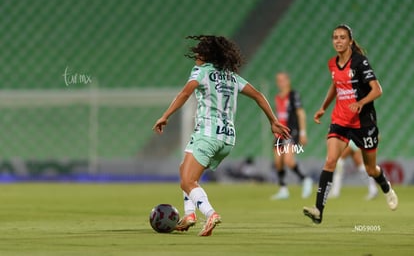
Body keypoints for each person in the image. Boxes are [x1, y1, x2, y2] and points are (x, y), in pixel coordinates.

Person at [153, 35, 290, 236]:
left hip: (207, 134)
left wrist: (165, 116)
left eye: (199, 52)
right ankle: (190, 215)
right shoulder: (231, 76)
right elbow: (259, 96)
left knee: (187, 181)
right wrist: (273, 121)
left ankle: (210, 214)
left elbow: (184, 93)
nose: (196, 56)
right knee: (185, 171)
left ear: (206, 55)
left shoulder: (201, 71)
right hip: (227, 137)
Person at [303, 24, 398, 224]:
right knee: (330, 161)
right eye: (335, 37)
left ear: (350, 41)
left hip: (363, 123)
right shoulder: (332, 64)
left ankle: (386, 187)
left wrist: (361, 103)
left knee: (371, 169)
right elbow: (336, 85)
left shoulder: (360, 62)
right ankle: (318, 210)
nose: (338, 41)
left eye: (342, 37)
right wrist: (323, 107)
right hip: (340, 121)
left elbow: (377, 89)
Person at [270, 72, 312, 200]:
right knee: (278, 162)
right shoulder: (277, 98)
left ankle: (305, 179)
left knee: (288, 160)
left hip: (291, 131)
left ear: (288, 81)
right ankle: (283, 189)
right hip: (280, 133)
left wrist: (303, 133)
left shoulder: (294, 95)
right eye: (278, 80)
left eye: (283, 80)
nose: (280, 82)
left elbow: (301, 114)